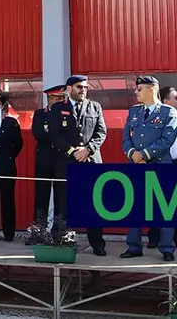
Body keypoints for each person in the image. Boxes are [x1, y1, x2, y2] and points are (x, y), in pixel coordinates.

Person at [121, 76, 177, 262]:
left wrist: (144, 154)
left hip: (160, 164)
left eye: (139, 89)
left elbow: (167, 139)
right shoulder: (134, 112)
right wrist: (132, 154)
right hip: (136, 166)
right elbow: (125, 139)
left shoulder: (168, 112)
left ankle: (167, 248)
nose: (136, 92)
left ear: (151, 89)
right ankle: (134, 246)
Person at [48, 75, 107, 256]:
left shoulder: (95, 107)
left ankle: (97, 244)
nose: (83, 90)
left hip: (90, 162)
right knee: (64, 203)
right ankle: (61, 241)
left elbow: (101, 132)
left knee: (93, 204)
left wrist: (88, 149)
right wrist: (72, 151)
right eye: (79, 87)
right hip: (66, 162)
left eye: (85, 87)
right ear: (68, 89)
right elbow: (54, 135)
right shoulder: (58, 108)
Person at [148, 85, 177, 252]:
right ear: (166, 101)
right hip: (160, 163)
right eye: (176, 97)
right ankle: (154, 238)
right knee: (157, 201)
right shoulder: (156, 115)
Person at [30, 84, 67, 239]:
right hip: (44, 161)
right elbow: (38, 133)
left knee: (61, 196)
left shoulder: (66, 114)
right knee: (41, 196)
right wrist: (57, 137)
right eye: (59, 98)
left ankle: (59, 232)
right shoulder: (40, 114)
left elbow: (69, 134)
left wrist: (55, 136)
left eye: (63, 98)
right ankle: (38, 232)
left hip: (60, 160)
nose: (62, 101)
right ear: (50, 99)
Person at [0, 91, 24, 242]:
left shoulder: (10, 123)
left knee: (8, 201)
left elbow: (18, 144)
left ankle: (9, 234)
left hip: (6, 167)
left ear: (3, 107)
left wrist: (9, 157)